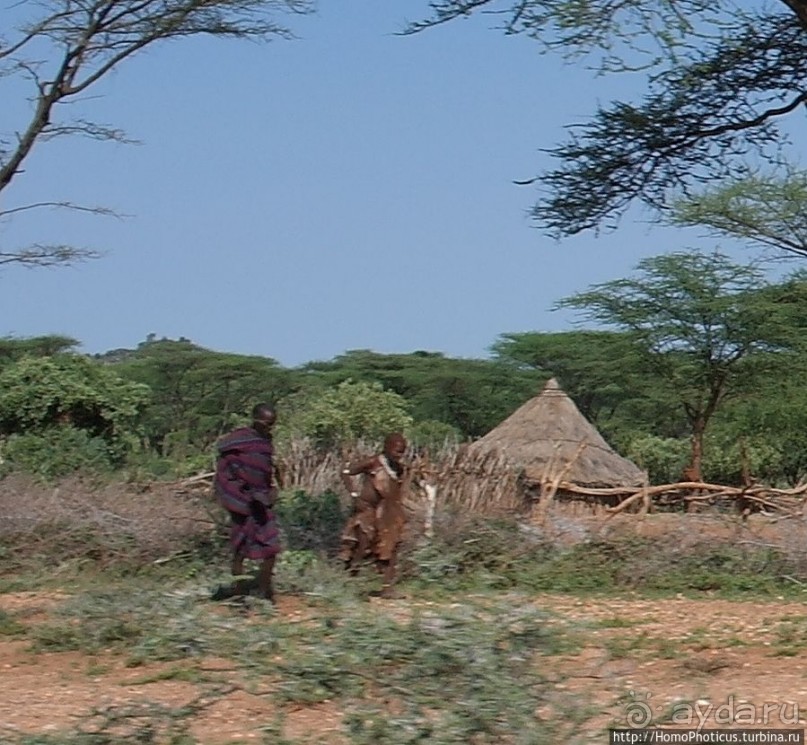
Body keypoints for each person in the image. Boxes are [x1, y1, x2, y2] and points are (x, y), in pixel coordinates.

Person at [211, 403, 281, 603]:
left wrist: (270, 492)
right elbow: (226, 474)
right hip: (242, 502)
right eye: (266, 424)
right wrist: (241, 496)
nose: (269, 428)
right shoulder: (237, 442)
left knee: (271, 548)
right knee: (239, 550)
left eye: (272, 425)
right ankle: (239, 594)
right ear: (255, 419)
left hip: (261, 502)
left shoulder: (266, 441)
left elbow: (264, 473)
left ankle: (265, 592)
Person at [338, 433, 409, 598]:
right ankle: (349, 582)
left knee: (390, 547)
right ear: (387, 447)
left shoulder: (399, 469)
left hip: (387, 513)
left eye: (402, 452)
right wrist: (354, 495)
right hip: (367, 510)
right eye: (397, 450)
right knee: (362, 546)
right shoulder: (373, 462)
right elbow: (345, 472)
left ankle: (387, 587)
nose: (400, 454)